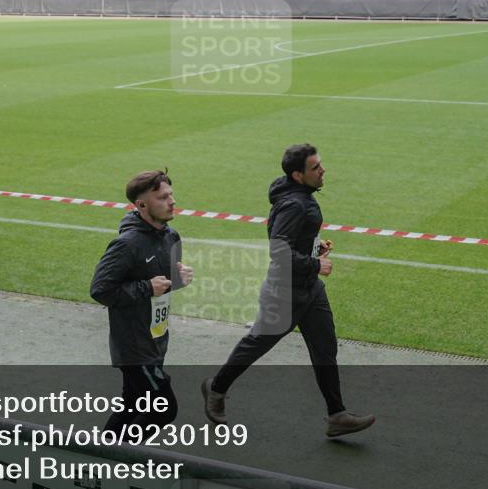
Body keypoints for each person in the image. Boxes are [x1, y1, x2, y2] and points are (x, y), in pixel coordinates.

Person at [202, 144, 375, 438]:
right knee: (257, 344)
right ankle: (216, 389)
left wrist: (313, 245)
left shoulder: (301, 197)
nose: (323, 171)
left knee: (325, 349)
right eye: (315, 167)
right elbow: (278, 251)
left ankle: (337, 415)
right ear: (298, 174)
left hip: (310, 291)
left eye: (321, 164)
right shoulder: (294, 204)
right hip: (284, 292)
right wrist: (315, 264)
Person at [90, 170, 194, 433]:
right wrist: (147, 287)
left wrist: (178, 279)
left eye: (171, 194)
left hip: (156, 340)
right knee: (164, 410)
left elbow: (163, 286)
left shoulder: (171, 237)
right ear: (142, 205)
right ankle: (121, 459)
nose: (171, 201)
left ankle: (101, 456)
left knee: (133, 405)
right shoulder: (128, 244)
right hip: (135, 347)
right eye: (162, 197)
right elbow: (100, 290)